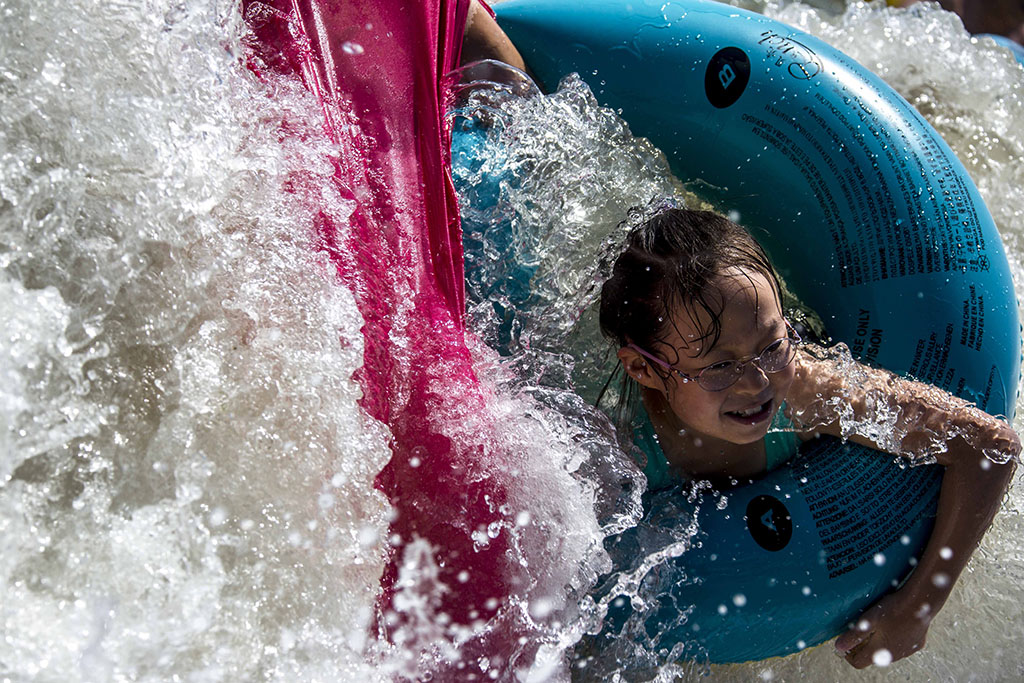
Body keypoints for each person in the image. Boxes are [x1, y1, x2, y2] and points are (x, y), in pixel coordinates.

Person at [599, 207, 1020, 668]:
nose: (757, 383)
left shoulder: (806, 393)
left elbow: (990, 446)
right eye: (720, 366)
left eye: (773, 344)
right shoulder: (621, 449)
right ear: (643, 368)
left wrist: (919, 606)